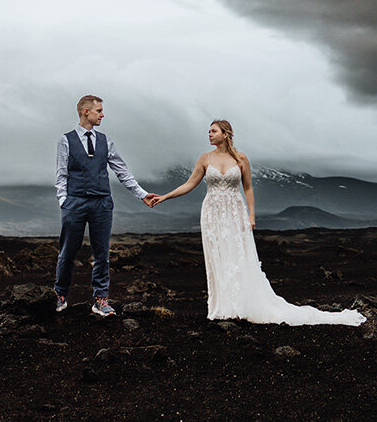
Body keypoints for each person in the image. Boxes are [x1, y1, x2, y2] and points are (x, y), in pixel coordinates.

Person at [146, 119, 365, 326]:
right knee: (218, 255)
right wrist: (164, 197)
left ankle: (243, 304)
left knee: (238, 255)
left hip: (234, 212)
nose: (209, 135)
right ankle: (223, 307)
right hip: (212, 213)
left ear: (225, 134)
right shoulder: (205, 158)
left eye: (213, 131)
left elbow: (248, 187)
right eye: (209, 131)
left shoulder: (241, 159)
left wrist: (251, 216)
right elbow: (189, 184)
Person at [54, 94, 151, 317]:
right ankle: (60, 294)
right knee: (67, 252)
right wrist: (64, 201)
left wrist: (142, 194)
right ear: (86, 112)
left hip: (102, 204)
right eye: (99, 111)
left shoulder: (106, 141)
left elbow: (122, 171)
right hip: (75, 203)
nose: (102, 114)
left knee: (102, 254)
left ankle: (100, 300)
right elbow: (61, 174)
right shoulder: (66, 140)